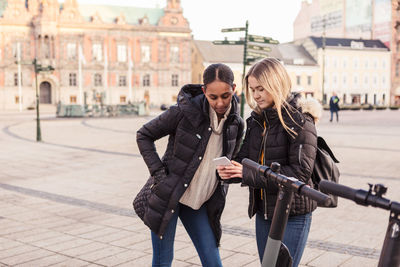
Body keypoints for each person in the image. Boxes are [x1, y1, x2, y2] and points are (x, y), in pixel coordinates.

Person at [136, 63, 244, 267]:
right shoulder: (184, 111)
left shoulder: (236, 124)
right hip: (170, 196)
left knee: (213, 262)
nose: (220, 102)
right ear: (204, 91)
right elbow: (144, 135)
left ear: (234, 89)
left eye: (225, 95)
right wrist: (159, 174)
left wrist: (231, 173)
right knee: (163, 260)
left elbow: (233, 162)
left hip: (199, 200)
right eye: (213, 97)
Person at [217, 58, 320, 267]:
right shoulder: (256, 121)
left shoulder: (300, 121)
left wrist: (247, 173)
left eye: (261, 89)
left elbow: (299, 173)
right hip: (264, 212)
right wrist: (231, 169)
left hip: (293, 213)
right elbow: (245, 160)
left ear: (276, 84)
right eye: (253, 89)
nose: (255, 95)